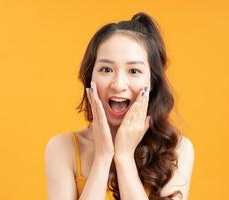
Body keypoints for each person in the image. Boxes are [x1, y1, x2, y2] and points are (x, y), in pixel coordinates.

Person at [45, 12, 195, 200]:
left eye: (134, 71)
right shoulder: (62, 148)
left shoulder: (178, 150)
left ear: (153, 82)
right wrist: (103, 157)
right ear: (89, 78)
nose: (118, 84)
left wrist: (124, 158)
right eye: (106, 69)